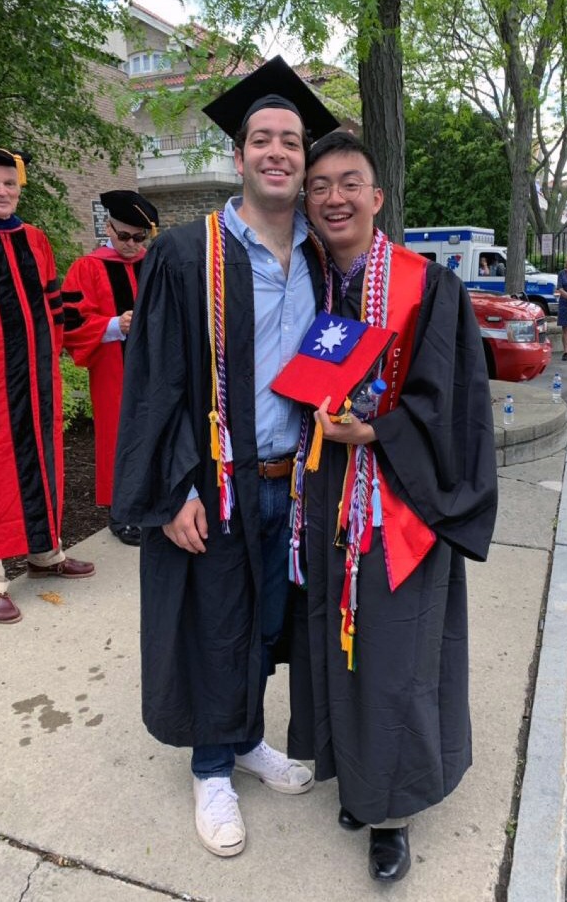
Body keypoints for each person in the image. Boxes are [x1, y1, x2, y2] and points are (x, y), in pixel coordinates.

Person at [111, 58, 339, 858]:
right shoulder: (186, 254)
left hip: (294, 480)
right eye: (261, 140)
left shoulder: (321, 258)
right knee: (214, 624)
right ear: (239, 156)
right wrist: (171, 487)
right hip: (215, 482)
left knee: (268, 622)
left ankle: (245, 738)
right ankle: (211, 767)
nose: (277, 151)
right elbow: (154, 382)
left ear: (304, 160)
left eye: (291, 141)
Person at [299, 132, 498, 883]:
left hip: (402, 503)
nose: (334, 197)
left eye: (350, 183)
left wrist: (374, 430)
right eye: (320, 185)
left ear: (376, 198)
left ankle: (391, 811)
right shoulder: (310, 283)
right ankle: (356, 779)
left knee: (396, 659)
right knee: (340, 646)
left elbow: (451, 405)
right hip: (325, 499)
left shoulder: (424, 286)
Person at [0, 147, 95, 625]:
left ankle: (45, 554)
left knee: (44, 459)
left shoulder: (33, 238)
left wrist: (55, 351)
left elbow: (52, 302)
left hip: (38, 374)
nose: (2, 191)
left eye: (9, 184)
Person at [62, 190, 159, 546]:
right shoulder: (87, 268)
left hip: (158, 367)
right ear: (108, 227)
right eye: (124, 236)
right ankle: (123, 512)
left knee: (158, 431)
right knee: (119, 436)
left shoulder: (155, 263)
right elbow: (69, 324)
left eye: (139, 237)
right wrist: (115, 325)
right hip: (112, 369)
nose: (131, 244)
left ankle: (155, 504)